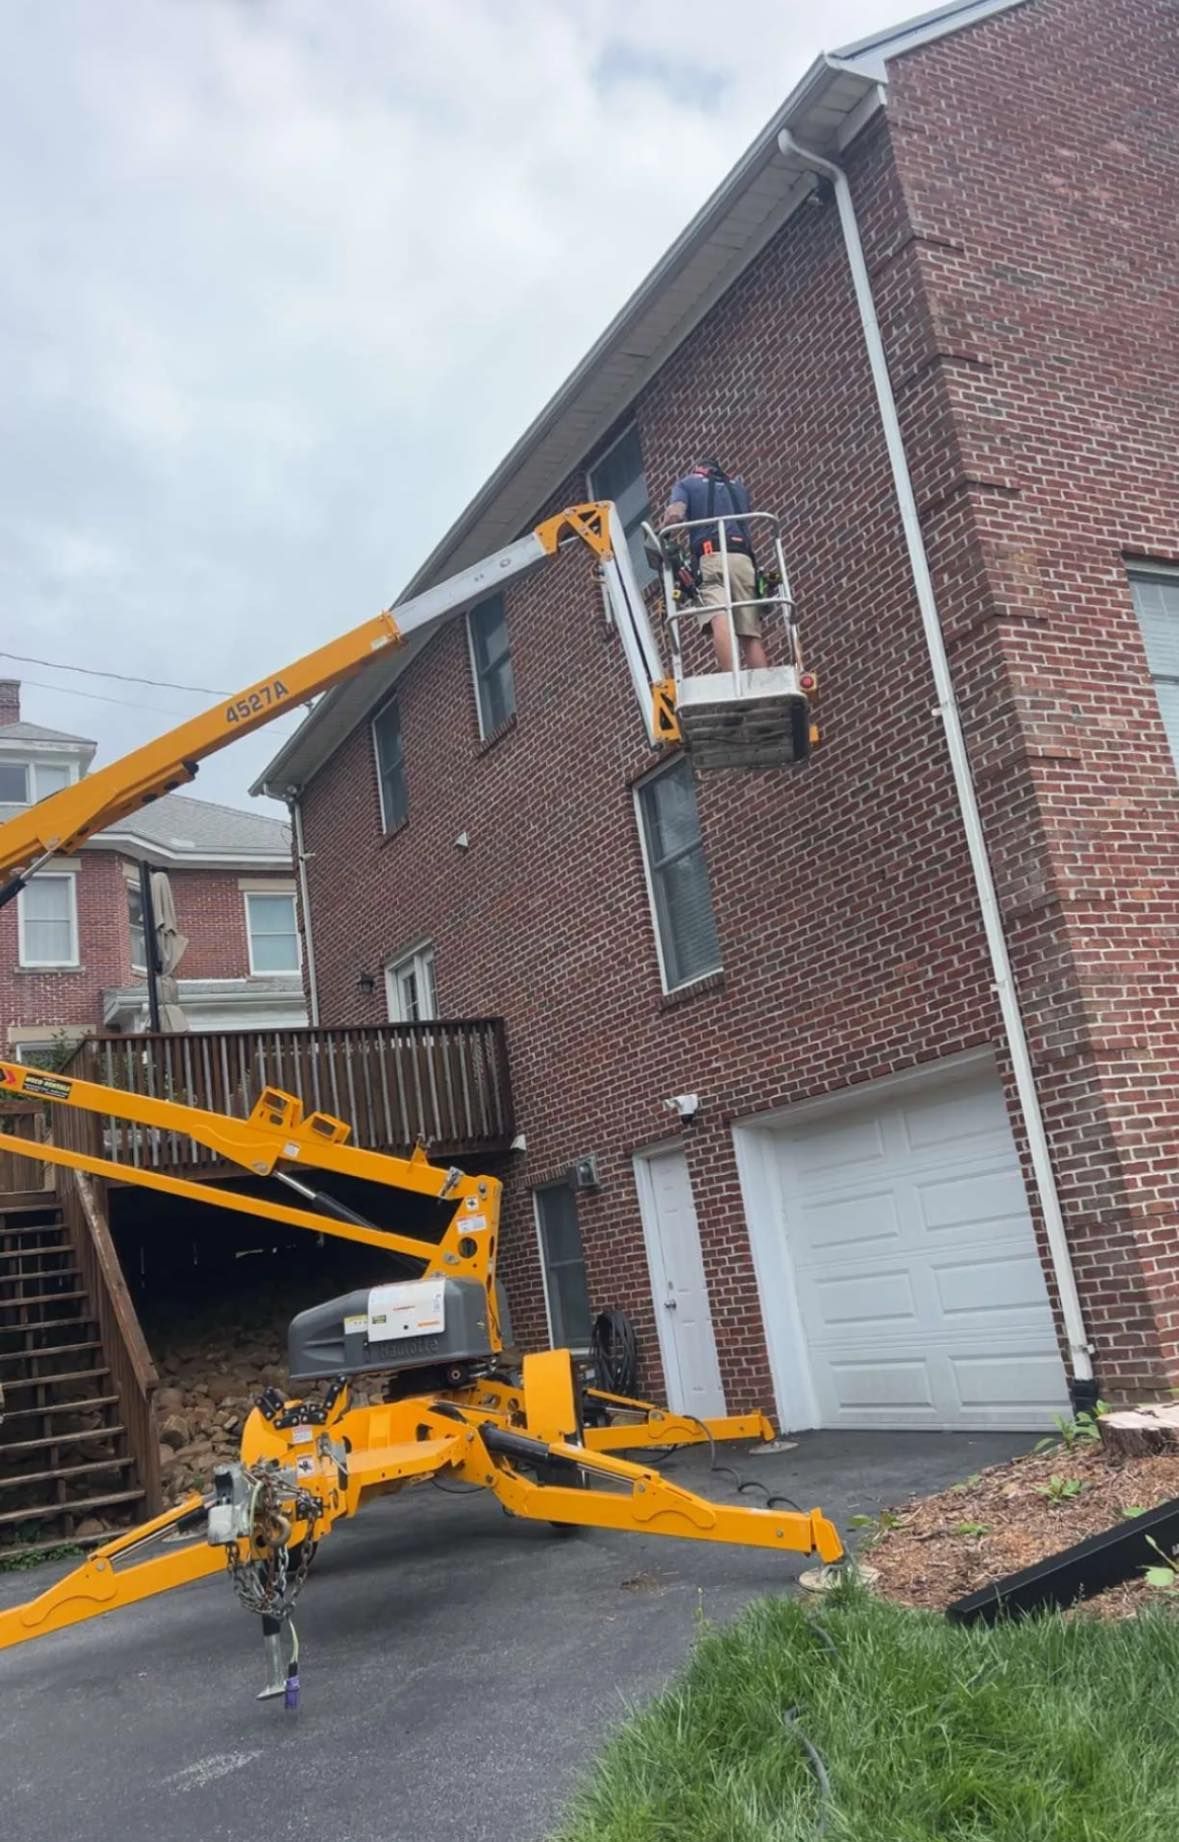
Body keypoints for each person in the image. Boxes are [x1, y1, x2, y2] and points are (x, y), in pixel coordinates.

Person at [661, 458, 768, 671]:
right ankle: (762, 679)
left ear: (698, 469)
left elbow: (676, 513)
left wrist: (663, 532)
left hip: (712, 557)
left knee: (719, 615)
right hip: (743, 560)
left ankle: (730, 678)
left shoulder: (687, 484)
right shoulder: (738, 488)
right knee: (749, 632)